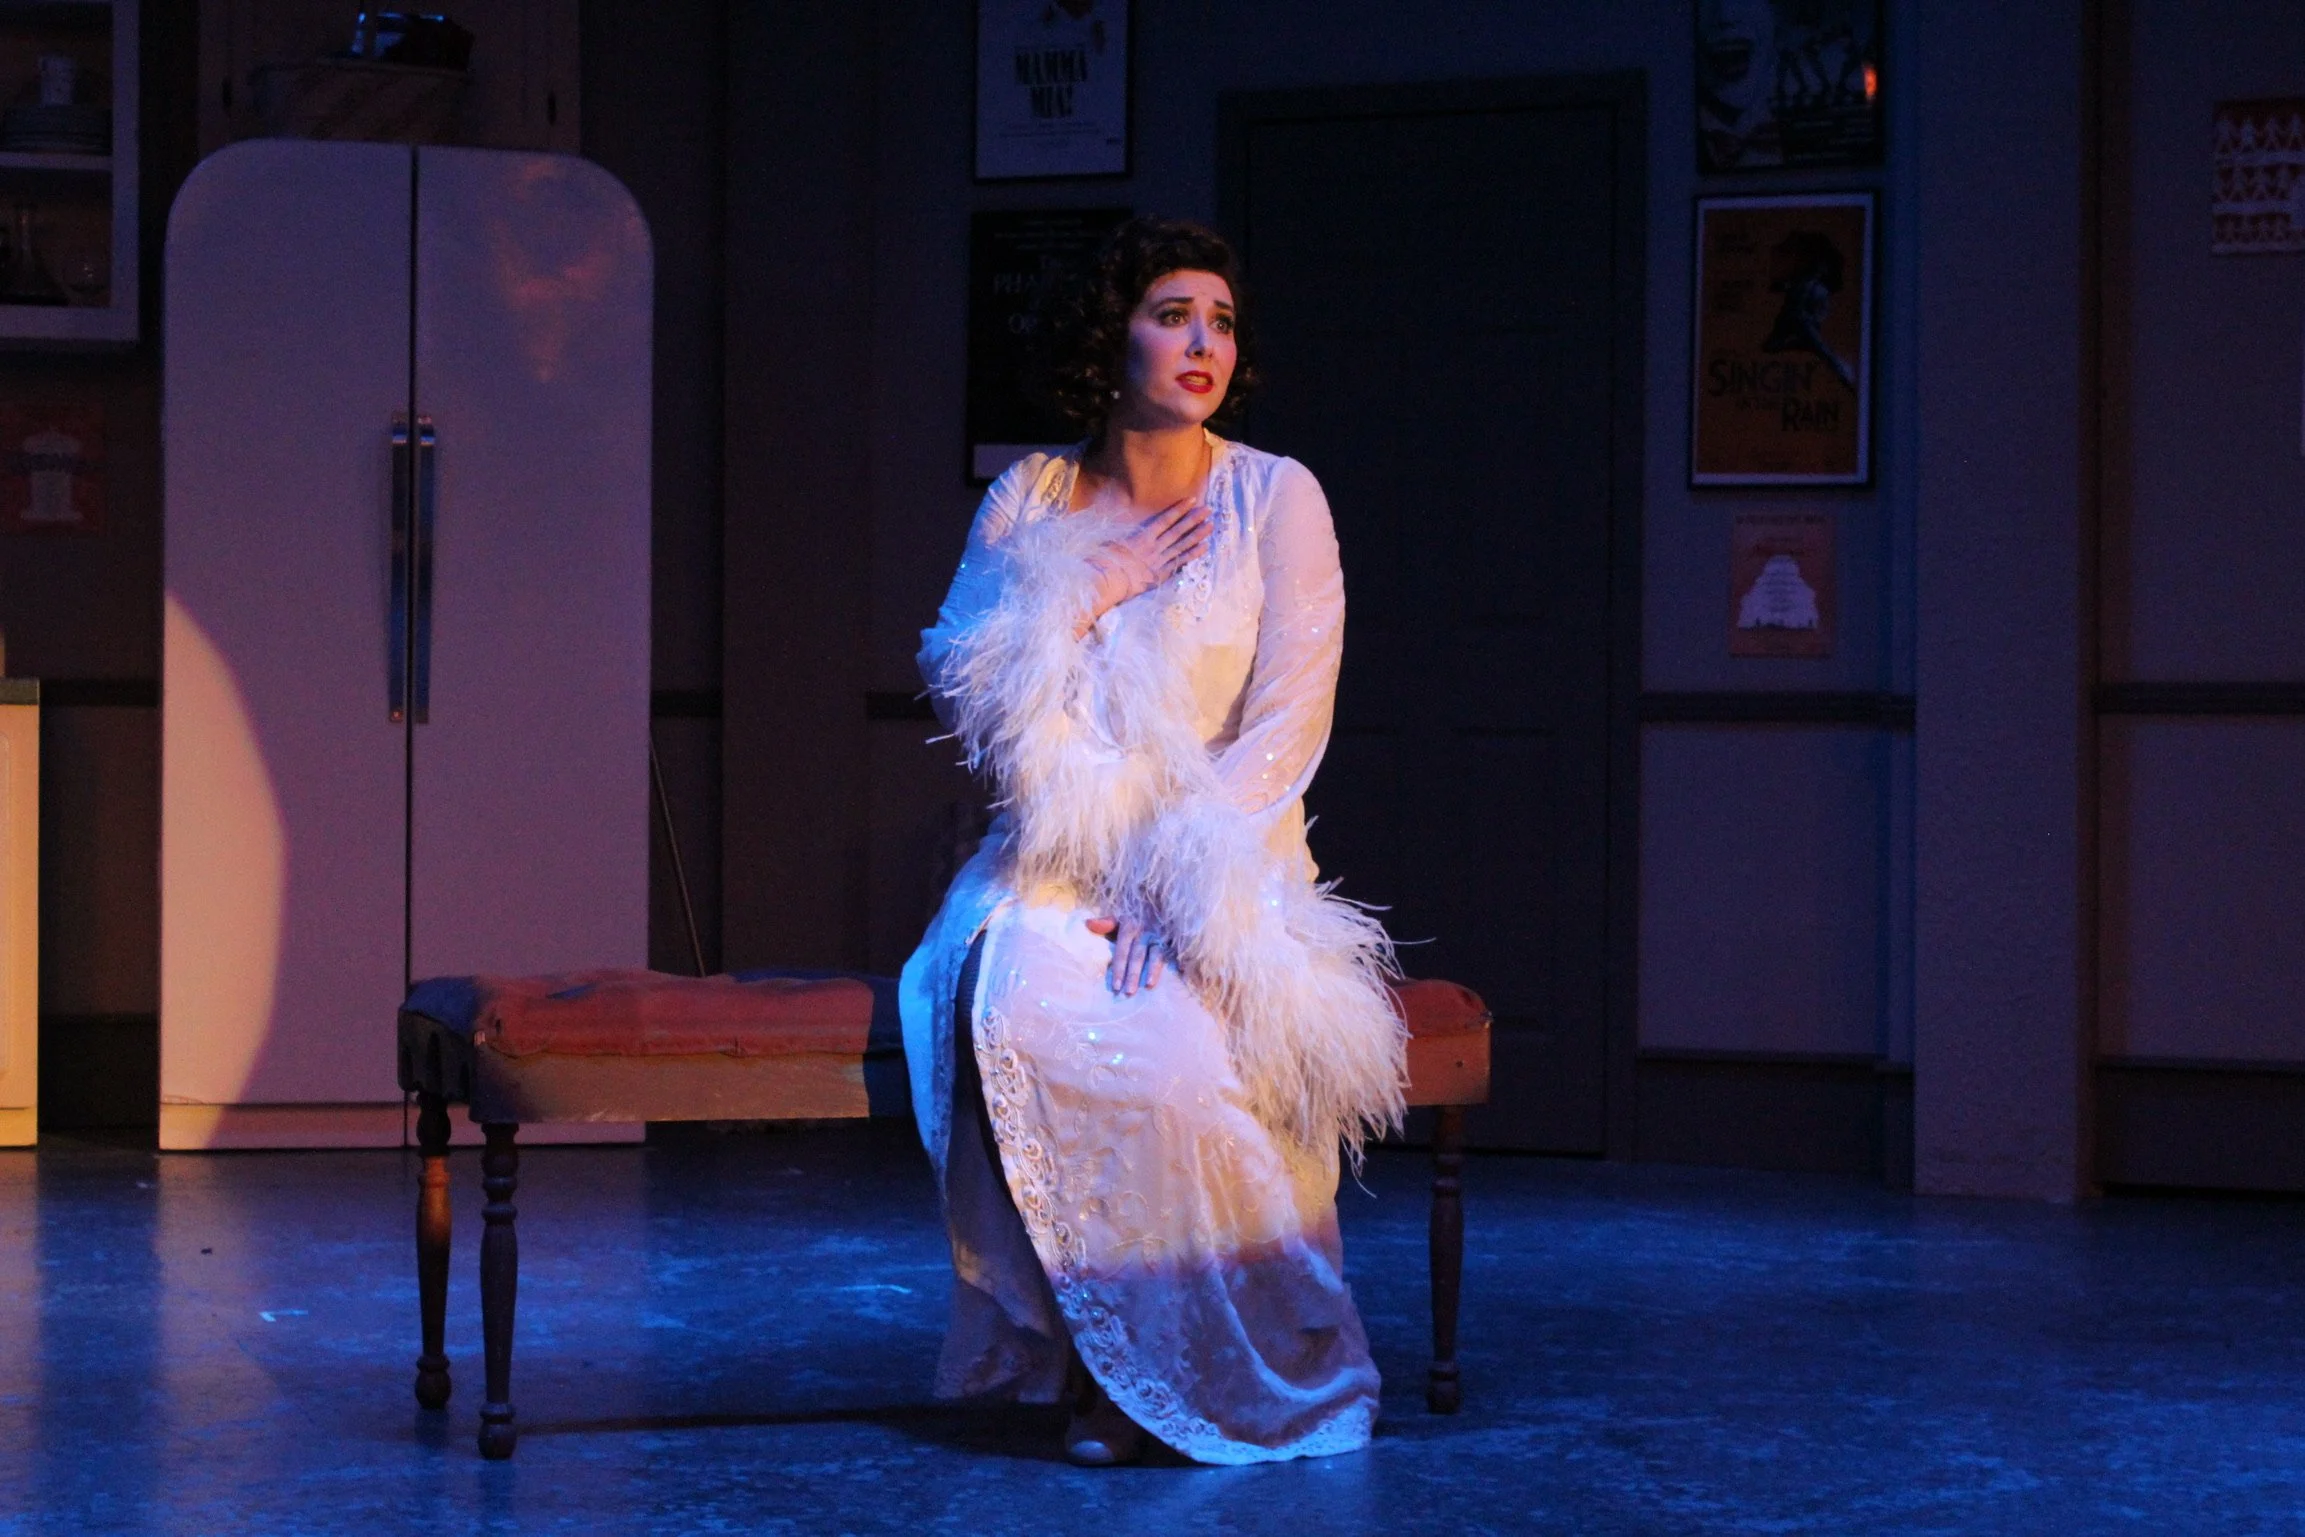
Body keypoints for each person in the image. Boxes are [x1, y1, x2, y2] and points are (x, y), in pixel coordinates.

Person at [899, 216, 1406, 1467]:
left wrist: (1180, 880)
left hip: (1219, 863)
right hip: (1050, 868)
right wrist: (1092, 577)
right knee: (1030, 1010)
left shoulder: (1275, 497)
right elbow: (974, 690)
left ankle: (1194, 1370)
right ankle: (1090, 1360)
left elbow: (1289, 721)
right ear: (1109, 334)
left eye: (1222, 321)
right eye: (1173, 312)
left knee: (1182, 1062)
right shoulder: (1033, 496)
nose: (1202, 343)